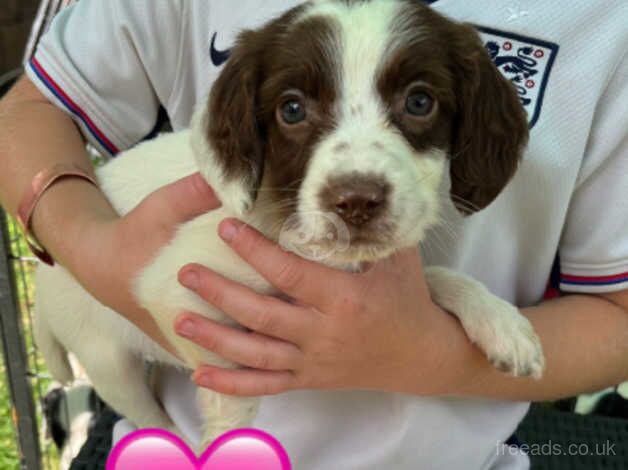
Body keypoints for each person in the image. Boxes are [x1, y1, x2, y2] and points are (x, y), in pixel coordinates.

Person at [0, 0, 627, 468]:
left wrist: (430, 352)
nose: (355, 187)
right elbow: (29, 109)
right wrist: (87, 248)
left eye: (417, 102)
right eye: (294, 111)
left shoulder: (605, 23)